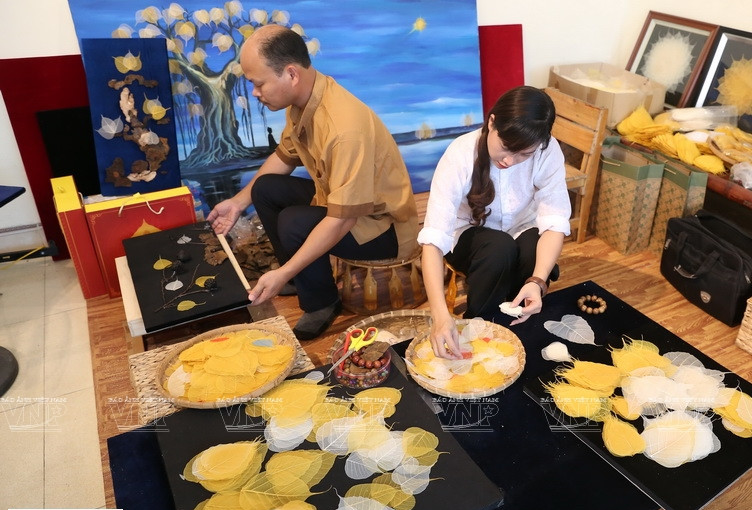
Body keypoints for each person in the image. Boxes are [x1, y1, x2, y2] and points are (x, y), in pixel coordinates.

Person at [207, 24, 419, 340]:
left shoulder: (344, 129)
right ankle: (300, 278)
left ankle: (321, 303)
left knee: (294, 222)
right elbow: (284, 157)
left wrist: (282, 271)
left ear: (291, 74)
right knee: (265, 188)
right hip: (340, 203)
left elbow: (342, 219)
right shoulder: (303, 102)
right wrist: (238, 203)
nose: (255, 93)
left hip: (382, 226)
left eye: (258, 83)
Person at [418, 85, 571, 359]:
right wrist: (439, 316)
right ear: (492, 122)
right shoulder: (460, 155)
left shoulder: (547, 151)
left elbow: (554, 221)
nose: (510, 161)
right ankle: (480, 327)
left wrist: (537, 280)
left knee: (533, 247)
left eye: (524, 154)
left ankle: (520, 324)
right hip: (468, 234)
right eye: (506, 148)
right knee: (499, 248)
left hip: (521, 226)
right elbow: (433, 240)